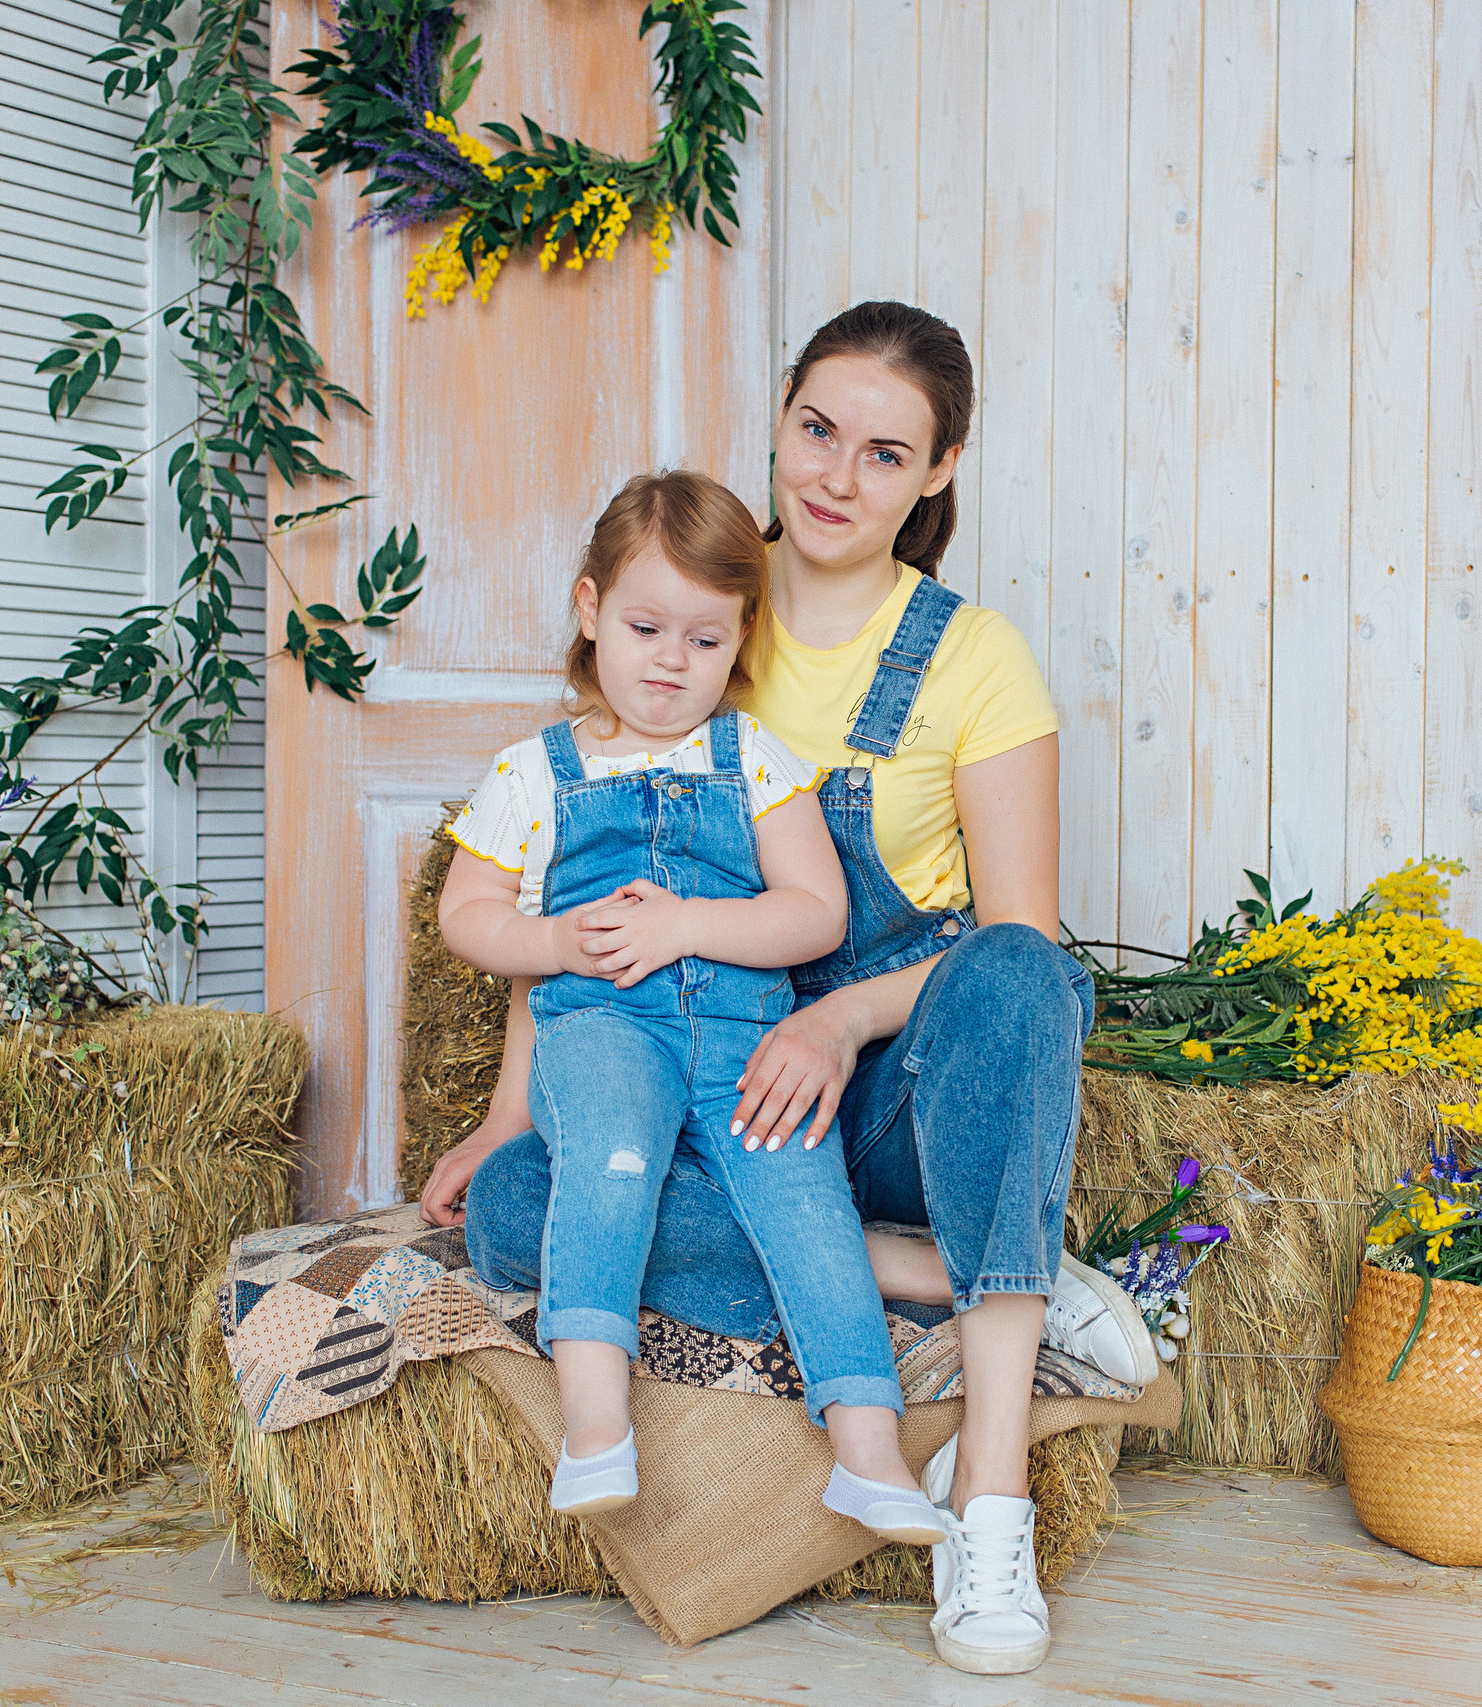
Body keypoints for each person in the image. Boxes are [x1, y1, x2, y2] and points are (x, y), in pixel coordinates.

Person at [431, 303, 1155, 1677]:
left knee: (1019, 968)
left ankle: (988, 1494)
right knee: (522, 1203)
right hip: (700, 1081)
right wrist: (505, 1110)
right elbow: (586, 909)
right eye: (817, 429)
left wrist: (837, 1013)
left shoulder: (970, 657)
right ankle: (963, 1276)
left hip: (881, 1088)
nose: (835, 474)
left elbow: (1020, 937)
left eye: (886, 454)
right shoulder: (694, 595)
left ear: (938, 474)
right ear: (778, 419)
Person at [435, 469, 943, 1546]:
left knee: (802, 1199)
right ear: (589, 611)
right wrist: (556, 940)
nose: (671, 661)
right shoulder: (536, 774)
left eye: (705, 641)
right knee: (608, 1163)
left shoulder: (756, 760)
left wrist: (688, 926)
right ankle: (594, 1425)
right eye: (646, 626)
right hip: (606, 1032)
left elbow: (813, 912)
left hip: (747, 1043)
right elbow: (467, 915)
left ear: (742, 638)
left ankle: (866, 1452)